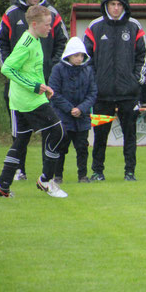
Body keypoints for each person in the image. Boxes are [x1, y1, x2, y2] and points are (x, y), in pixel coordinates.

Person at [0, 0, 68, 181]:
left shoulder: (51, 14)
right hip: (20, 87)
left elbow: (62, 42)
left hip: (44, 84)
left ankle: (47, 173)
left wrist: (51, 66)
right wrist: (12, 73)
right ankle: (19, 171)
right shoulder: (11, 14)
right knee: (21, 134)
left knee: (51, 130)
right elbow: (1, 44)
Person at [84, 0, 146, 182]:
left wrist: (135, 80)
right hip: (101, 95)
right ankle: (97, 172)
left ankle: (130, 172)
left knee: (130, 135)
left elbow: (143, 56)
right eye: (112, 4)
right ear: (106, 5)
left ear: (125, 6)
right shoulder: (95, 27)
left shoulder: (134, 26)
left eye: (119, 4)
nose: (115, 8)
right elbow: (85, 57)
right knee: (100, 136)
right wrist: (93, 83)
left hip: (128, 94)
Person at [48, 37, 98, 184]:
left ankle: (82, 176)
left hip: (82, 117)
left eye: (81, 55)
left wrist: (81, 109)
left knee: (82, 147)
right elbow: (53, 92)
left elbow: (92, 93)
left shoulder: (88, 70)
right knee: (61, 147)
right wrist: (70, 109)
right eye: (76, 55)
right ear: (68, 55)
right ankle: (58, 176)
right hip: (62, 116)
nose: (79, 58)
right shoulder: (58, 69)